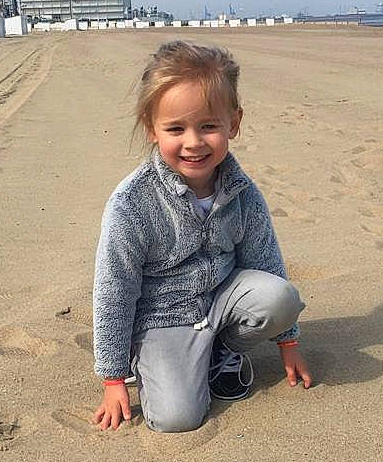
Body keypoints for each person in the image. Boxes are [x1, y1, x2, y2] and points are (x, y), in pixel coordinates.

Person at [93, 40, 312, 433]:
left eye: (209, 126)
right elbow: (115, 288)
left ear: (234, 123)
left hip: (223, 299)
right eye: (176, 129)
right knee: (177, 418)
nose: (194, 142)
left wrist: (288, 341)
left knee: (281, 296)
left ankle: (223, 350)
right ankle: (162, 362)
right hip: (162, 316)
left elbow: (264, 261)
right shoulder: (132, 202)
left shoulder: (242, 192)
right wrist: (113, 377)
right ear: (151, 128)